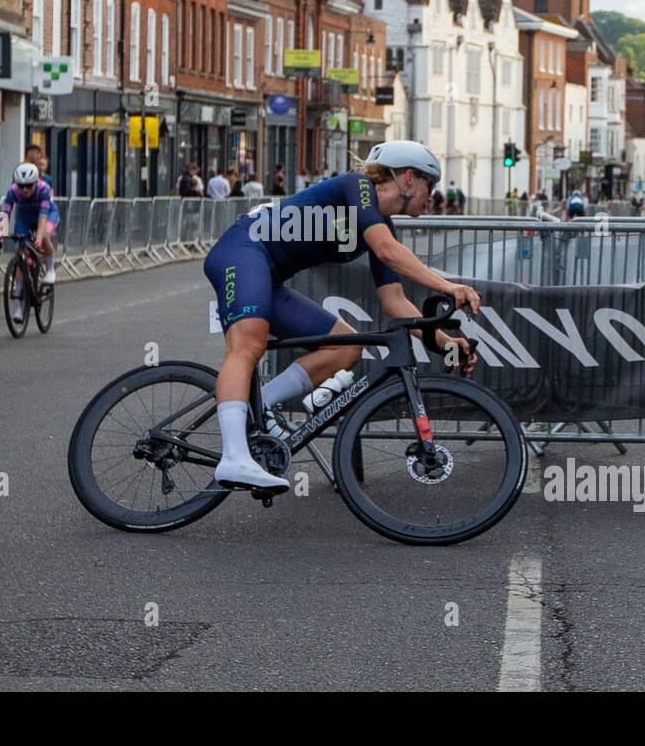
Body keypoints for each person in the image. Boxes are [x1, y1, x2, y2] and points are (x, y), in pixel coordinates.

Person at [202, 140, 479, 491]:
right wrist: (448, 287)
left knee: (345, 348)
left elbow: (395, 304)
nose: (433, 195)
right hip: (243, 251)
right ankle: (234, 459)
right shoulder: (357, 187)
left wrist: (446, 343)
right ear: (409, 178)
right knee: (249, 344)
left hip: (267, 275)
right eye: (431, 185)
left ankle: (260, 406)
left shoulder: (380, 228)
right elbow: (387, 251)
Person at [0, 162, 59, 286]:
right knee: (21, 252)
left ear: (36, 182)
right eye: (21, 186)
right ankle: (20, 297)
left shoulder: (43, 189)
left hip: (47, 214)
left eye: (29, 186)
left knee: (45, 235)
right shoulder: (13, 191)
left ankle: (50, 269)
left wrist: (39, 239)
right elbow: (5, 214)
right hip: (25, 216)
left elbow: (43, 217)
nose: (25, 189)